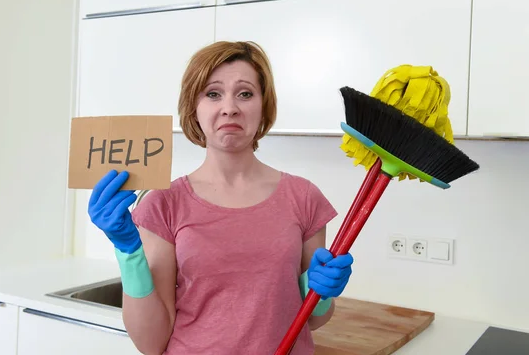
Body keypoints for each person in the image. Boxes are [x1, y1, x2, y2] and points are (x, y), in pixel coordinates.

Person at [87, 41, 354, 354]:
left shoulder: (303, 197)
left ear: (263, 106)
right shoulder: (163, 203)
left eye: (245, 93)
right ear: (194, 109)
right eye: (213, 93)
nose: (230, 107)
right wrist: (128, 252)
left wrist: (320, 295)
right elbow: (151, 342)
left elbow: (313, 321)